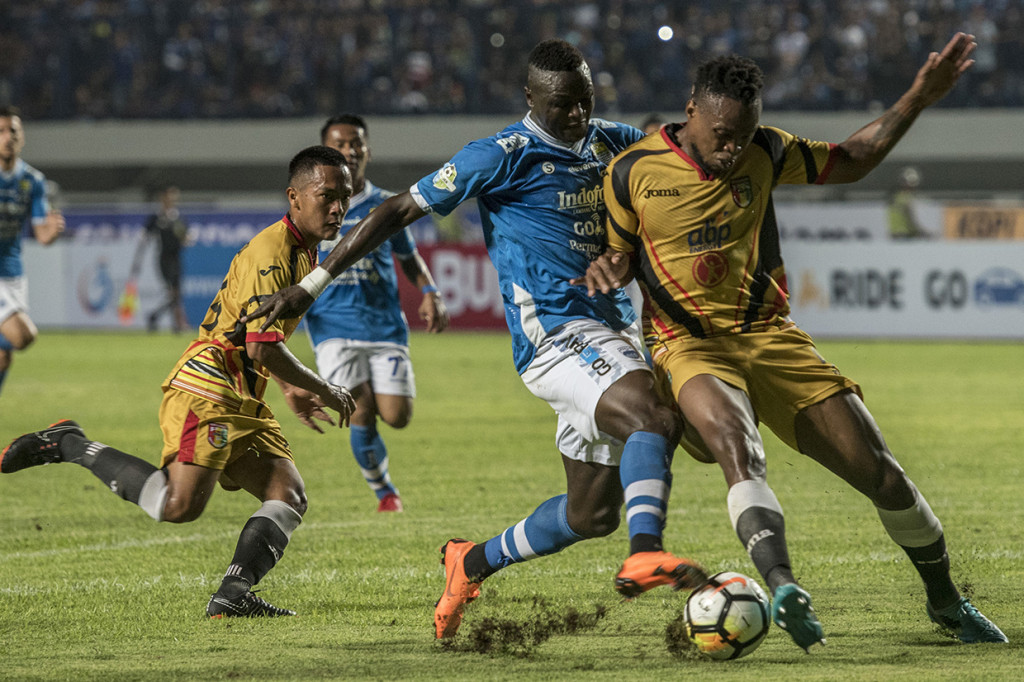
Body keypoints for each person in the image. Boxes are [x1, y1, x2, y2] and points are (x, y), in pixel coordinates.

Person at [243, 39, 708, 639]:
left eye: (586, 101)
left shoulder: (611, 140)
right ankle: (646, 551)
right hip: (555, 335)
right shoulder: (499, 156)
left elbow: (678, 152)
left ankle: (471, 562)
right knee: (653, 415)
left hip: (611, 334)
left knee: (589, 514)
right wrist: (309, 287)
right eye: (564, 104)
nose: (577, 115)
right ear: (532, 98)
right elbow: (392, 212)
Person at [576, 34, 1007, 649]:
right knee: (737, 446)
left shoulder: (768, 149)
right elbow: (616, 252)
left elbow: (855, 157)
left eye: (743, 135)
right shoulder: (631, 172)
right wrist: (610, 266)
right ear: (692, 110)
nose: (732, 149)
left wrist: (918, 96)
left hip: (771, 339)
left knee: (883, 477)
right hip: (689, 346)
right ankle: (782, 586)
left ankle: (946, 602)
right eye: (723, 134)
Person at [1, 145, 357, 619]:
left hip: (244, 390)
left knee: (287, 493)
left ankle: (231, 595)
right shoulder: (274, 252)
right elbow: (259, 345)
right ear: (294, 196)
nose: (337, 208)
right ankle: (70, 444)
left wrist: (289, 386)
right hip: (210, 384)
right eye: (326, 195)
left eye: (344, 197)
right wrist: (321, 387)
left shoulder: (304, 251)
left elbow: (258, 335)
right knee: (177, 505)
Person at [306, 113, 449, 513]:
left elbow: (409, 258)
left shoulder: (385, 207)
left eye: (356, 144)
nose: (349, 151)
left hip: (385, 327)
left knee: (398, 415)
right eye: (340, 144)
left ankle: (383, 477)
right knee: (360, 410)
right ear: (324, 152)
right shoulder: (312, 208)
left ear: (367, 151)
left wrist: (430, 291)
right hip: (332, 329)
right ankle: (385, 492)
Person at [0, 105, 66, 398]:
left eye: (12, 131)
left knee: (4, 356)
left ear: (22, 137)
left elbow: (41, 235)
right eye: (0, 132)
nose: (7, 137)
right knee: (22, 334)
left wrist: (52, 232)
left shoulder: (32, 181)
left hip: (14, 275)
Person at [130, 184, 191, 332]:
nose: (173, 199)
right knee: (172, 292)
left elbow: (186, 238)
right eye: (170, 195)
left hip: (176, 258)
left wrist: (185, 238)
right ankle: (177, 324)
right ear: (163, 197)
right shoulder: (157, 217)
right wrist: (138, 260)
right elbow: (145, 237)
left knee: (176, 293)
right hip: (164, 259)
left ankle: (156, 317)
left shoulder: (178, 217)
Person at [887, 166, 929, 239]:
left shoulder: (896, 196)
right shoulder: (904, 198)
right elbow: (909, 218)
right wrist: (918, 231)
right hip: (903, 234)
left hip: (897, 233)